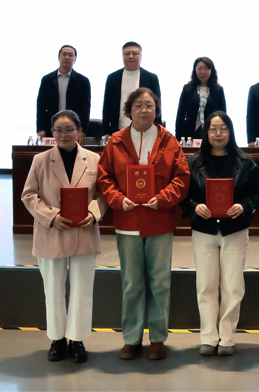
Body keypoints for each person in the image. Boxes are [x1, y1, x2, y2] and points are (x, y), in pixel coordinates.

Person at [97, 87, 190, 361]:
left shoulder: (169, 141)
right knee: (132, 282)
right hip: (127, 221)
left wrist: (162, 199)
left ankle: (158, 338)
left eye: (149, 105)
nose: (144, 110)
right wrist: (117, 199)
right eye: (138, 105)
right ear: (130, 110)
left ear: (156, 109)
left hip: (159, 220)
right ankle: (132, 338)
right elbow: (104, 178)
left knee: (160, 282)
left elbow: (182, 178)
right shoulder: (115, 142)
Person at [21, 110, 107, 364]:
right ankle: (57, 339)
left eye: (69, 129)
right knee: (53, 289)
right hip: (52, 231)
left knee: (82, 290)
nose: (64, 134)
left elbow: (103, 194)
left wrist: (94, 213)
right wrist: (50, 216)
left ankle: (77, 339)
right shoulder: (40, 160)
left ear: (79, 132)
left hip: (84, 230)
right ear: (52, 133)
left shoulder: (94, 159)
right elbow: (29, 195)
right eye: (58, 130)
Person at [181, 111, 259, 356]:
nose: (218, 134)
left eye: (223, 129)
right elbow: (183, 195)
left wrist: (244, 206)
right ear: (206, 132)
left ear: (230, 132)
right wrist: (194, 207)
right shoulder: (193, 162)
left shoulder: (245, 162)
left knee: (233, 285)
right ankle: (208, 337)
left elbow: (257, 192)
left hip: (234, 230)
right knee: (205, 285)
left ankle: (227, 338)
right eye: (213, 129)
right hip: (204, 230)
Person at [102, 42, 162, 136]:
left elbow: (156, 106)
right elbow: (107, 105)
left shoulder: (151, 78)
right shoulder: (112, 78)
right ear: (122, 56)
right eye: (127, 53)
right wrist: (106, 131)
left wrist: (158, 130)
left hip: (145, 130)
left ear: (141, 56)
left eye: (135, 53)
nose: (131, 56)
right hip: (118, 130)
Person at [36, 45, 91, 143]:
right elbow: (41, 106)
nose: (67, 57)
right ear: (59, 57)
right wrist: (40, 128)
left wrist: (82, 131)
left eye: (70, 55)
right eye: (64, 54)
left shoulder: (83, 81)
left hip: (73, 128)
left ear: (75, 59)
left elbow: (85, 109)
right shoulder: (47, 80)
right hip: (51, 128)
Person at [174, 57, 227, 142]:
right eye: (199, 68)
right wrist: (178, 137)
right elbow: (180, 114)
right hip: (189, 132)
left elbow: (223, 115)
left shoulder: (218, 90)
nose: (202, 72)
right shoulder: (187, 89)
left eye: (206, 68)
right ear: (195, 70)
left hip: (211, 132)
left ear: (211, 71)